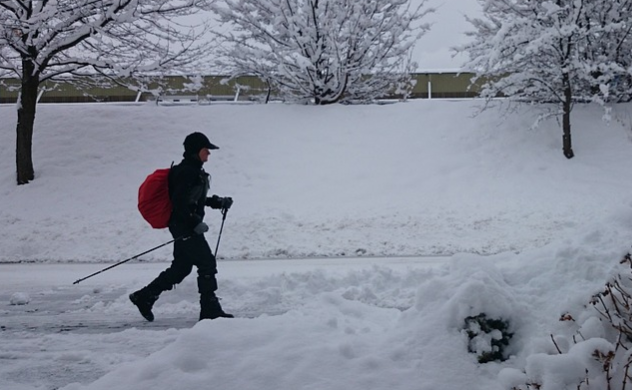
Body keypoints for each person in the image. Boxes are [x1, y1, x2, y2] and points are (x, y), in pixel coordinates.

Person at [130, 132, 234, 321]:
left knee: (181, 267)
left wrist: (216, 202)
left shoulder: (192, 169)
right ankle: (210, 310)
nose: (208, 155)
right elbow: (178, 202)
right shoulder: (187, 171)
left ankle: (144, 296)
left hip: (184, 224)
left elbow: (191, 199)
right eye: (206, 150)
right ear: (196, 151)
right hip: (184, 226)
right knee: (207, 263)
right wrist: (195, 222)